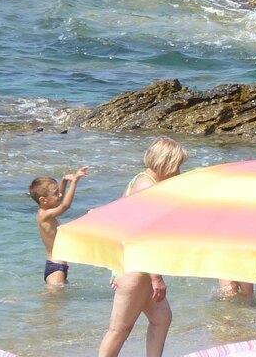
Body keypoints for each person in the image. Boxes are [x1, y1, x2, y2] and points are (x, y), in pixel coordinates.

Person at [99, 138, 186, 357]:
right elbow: (144, 236)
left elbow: (118, 222)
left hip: (133, 264)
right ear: (166, 163)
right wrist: (156, 278)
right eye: (177, 166)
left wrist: (115, 264)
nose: (179, 172)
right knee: (119, 329)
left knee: (161, 318)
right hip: (138, 268)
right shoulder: (148, 188)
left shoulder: (138, 180)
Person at [29, 165, 89, 288]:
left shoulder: (47, 210)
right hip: (56, 267)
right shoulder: (44, 215)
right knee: (51, 297)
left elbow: (60, 200)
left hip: (58, 266)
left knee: (59, 297)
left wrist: (64, 181)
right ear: (43, 200)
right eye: (56, 193)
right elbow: (65, 205)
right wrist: (74, 182)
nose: (60, 195)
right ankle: (18, 297)